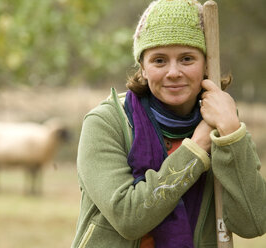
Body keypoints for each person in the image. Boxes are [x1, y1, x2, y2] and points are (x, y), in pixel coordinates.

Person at [71, 0, 266, 247]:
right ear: (142, 67)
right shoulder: (106, 123)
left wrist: (230, 135)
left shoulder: (224, 126)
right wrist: (196, 149)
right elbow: (129, 218)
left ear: (206, 64)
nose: (173, 72)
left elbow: (254, 223)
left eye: (186, 59)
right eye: (159, 60)